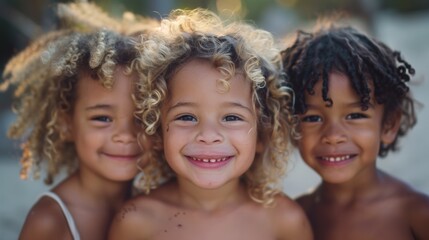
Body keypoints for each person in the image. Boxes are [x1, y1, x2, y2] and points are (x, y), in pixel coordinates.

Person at [109, 8, 313, 240]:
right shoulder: (136, 221)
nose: (208, 135)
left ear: (262, 134)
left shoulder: (284, 221)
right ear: (157, 132)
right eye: (186, 117)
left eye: (231, 117)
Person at [0, 2, 156, 239]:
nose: (124, 134)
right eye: (102, 118)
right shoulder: (50, 222)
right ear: (66, 124)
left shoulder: (158, 203)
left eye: (141, 118)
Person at [281, 22, 429, 240]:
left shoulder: (415, 213)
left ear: (388, 124)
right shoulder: (296, 216)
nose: (333, 135)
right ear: (292, 126)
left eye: (354, 116)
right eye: (313, 118)